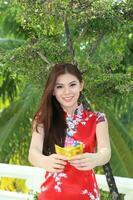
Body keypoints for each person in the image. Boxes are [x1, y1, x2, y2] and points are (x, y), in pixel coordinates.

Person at [28, 63, 111, 200]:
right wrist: (44, 160)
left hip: (87, 194)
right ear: (53, 91)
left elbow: (106, 152)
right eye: (60, 87)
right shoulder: (43, 118)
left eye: (72, 85)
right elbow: (33, 152)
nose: (67, 92)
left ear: (81, 85)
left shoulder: (98, 119)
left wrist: (96, 158)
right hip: (51, 195)